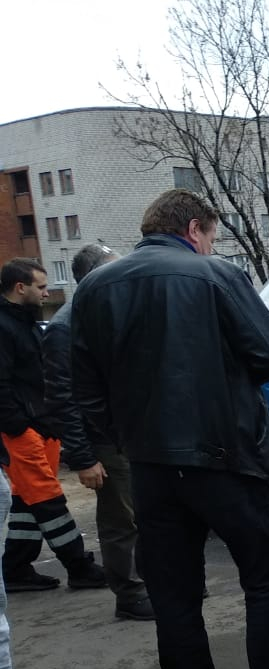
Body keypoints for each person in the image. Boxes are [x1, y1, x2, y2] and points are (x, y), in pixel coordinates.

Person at [71, 190, 269, 669]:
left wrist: (117, 441)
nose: (210, 243)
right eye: (211, 234)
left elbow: (85, 383)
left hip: (148, 466)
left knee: (174, 591)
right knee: (265, 577)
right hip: (225, 457)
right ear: (194, 228)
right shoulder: (213, 275)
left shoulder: (95, 287)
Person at [43, 243, 154, 621]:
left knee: (143, 514)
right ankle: (131, 594)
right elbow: (63, 398)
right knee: (120, 519)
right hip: (103, 441)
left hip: (130, 433)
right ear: (95, 277)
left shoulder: (107, 314)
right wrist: (83, 457)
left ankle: (151, 583)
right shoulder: (64, 327)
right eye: (114, 269)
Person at [0, 259, 107, 592]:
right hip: (22, 429)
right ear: (21, 288)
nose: (47, 293)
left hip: (39, 426)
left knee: (27, 500)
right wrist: (19, 427)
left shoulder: (24, 322)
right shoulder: (5, 326)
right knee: (47, 498)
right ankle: (79, 567)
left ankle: (15, 567)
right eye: (41, 287)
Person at [0, 468, 83, 669]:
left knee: (28, 499)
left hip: (29, 440)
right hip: (28, 437)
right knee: (43, 496)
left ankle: (17, 565)